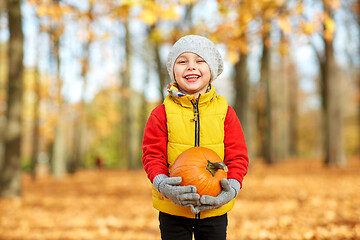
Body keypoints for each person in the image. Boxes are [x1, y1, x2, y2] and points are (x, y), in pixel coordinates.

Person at [142, 35, 249, 240]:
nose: (191, 67)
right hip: (173, 207)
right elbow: (152, 156)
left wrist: (232, 188)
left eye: (200, 61)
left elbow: (238, 157)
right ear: (173, 71)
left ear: (212, 70)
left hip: (214, 205)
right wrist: (164, 186)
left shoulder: (225, 112)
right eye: (182, 61)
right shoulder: (161, 113)